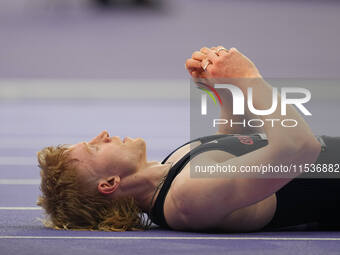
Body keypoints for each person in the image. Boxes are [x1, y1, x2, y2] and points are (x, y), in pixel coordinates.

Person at [37, 46, 340, 232]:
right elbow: (300, 148)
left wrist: (223, 92)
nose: (101, 135)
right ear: (109, 183)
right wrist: (247, 77)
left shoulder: (172, 169)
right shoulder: (188, 198)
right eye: (92, 147)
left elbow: (241, 149)